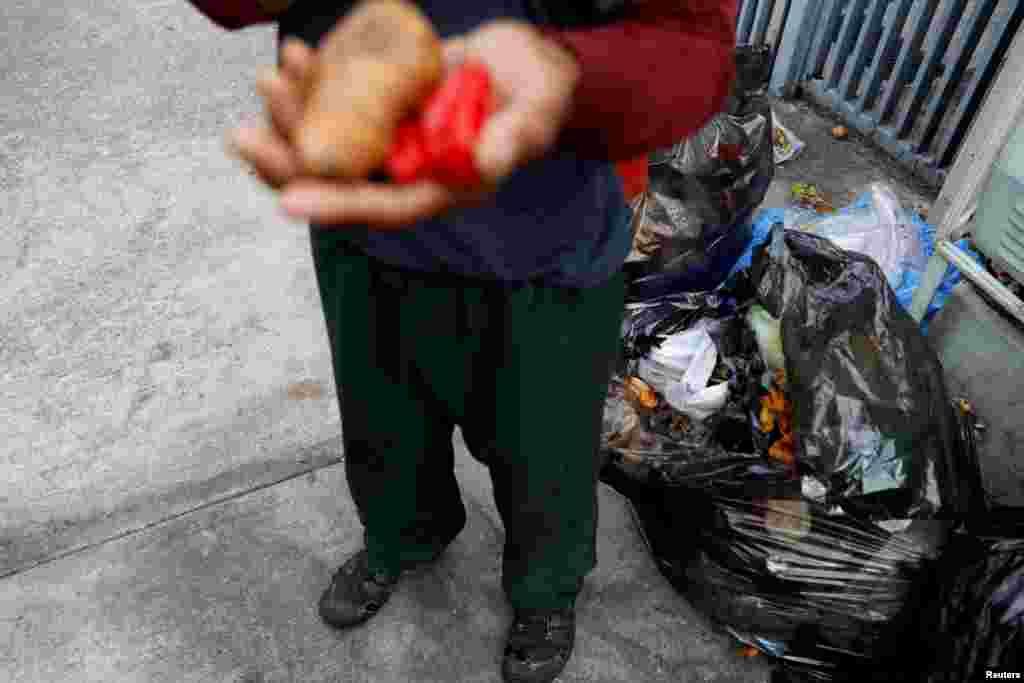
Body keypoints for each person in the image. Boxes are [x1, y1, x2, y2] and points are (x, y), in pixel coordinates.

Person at [186, 2, 736, 681]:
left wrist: (569, 77)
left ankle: (545, 591)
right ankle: (402, 536)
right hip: (366, 219)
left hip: (545, 236)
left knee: (546, 455)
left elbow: (689, 41)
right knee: (382, 423)